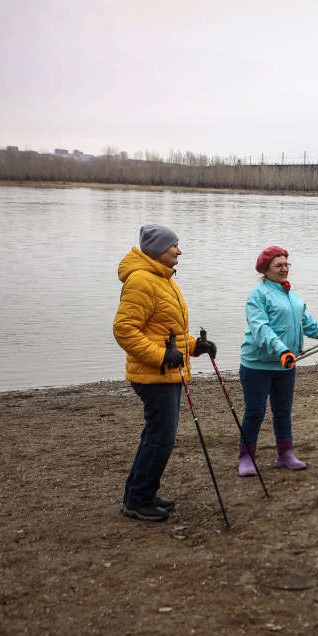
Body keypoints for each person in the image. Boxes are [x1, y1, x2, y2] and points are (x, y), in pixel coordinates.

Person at [114, 224, 216, 522]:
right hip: (154, 374)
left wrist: (197, 346)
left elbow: (169, 332)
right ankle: (138, 499)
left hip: (166, 372)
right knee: (162, 436)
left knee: (156, 434)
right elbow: (123, 330)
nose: (179, 250)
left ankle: (138, 494)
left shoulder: (163, 279)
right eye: (175, 246)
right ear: (159, 250)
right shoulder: (142, 281)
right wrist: (161, 356)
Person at [237, 246, 318, 476]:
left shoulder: (292, 295)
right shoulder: (258, 296)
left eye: (286, 265)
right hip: (257, 365)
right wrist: (281, 349)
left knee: (283, 411)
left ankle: (285, 454)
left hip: (286, 364)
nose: (284, 269)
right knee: (255, 412)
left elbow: (306, 323)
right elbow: (261, 329)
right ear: (266, 270)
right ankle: (246, 457)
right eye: (278, 266)